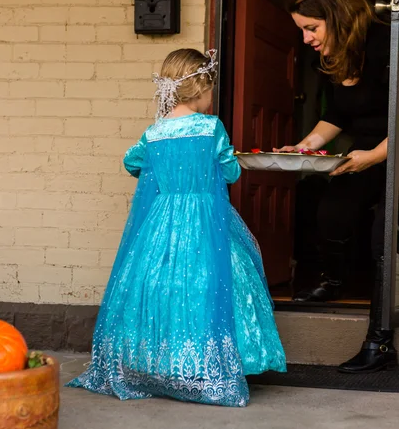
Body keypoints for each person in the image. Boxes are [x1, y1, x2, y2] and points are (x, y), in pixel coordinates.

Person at [67, 48, 286, 406]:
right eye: (211, 88)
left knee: (158, 284)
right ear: (201, 88)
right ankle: (205, 367)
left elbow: (131, 163)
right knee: (212, 281)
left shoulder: (155, 132)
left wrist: (165, 174)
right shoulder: (210, 127)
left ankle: (156, 366)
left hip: (161, 219)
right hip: (205, 220)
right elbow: (230, 171)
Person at [274, 0, 397, 374]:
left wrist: (376, 155)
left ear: (337, 17)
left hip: (392, 147)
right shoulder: (334, 57)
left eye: (312, 27)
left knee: (383, 234)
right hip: (363, 148)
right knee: (332, 212)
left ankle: (379, 342)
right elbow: (337, 115)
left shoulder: (386, 43)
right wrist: (304, 146)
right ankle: (334, 280)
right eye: (303, 30)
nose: (307, 38)